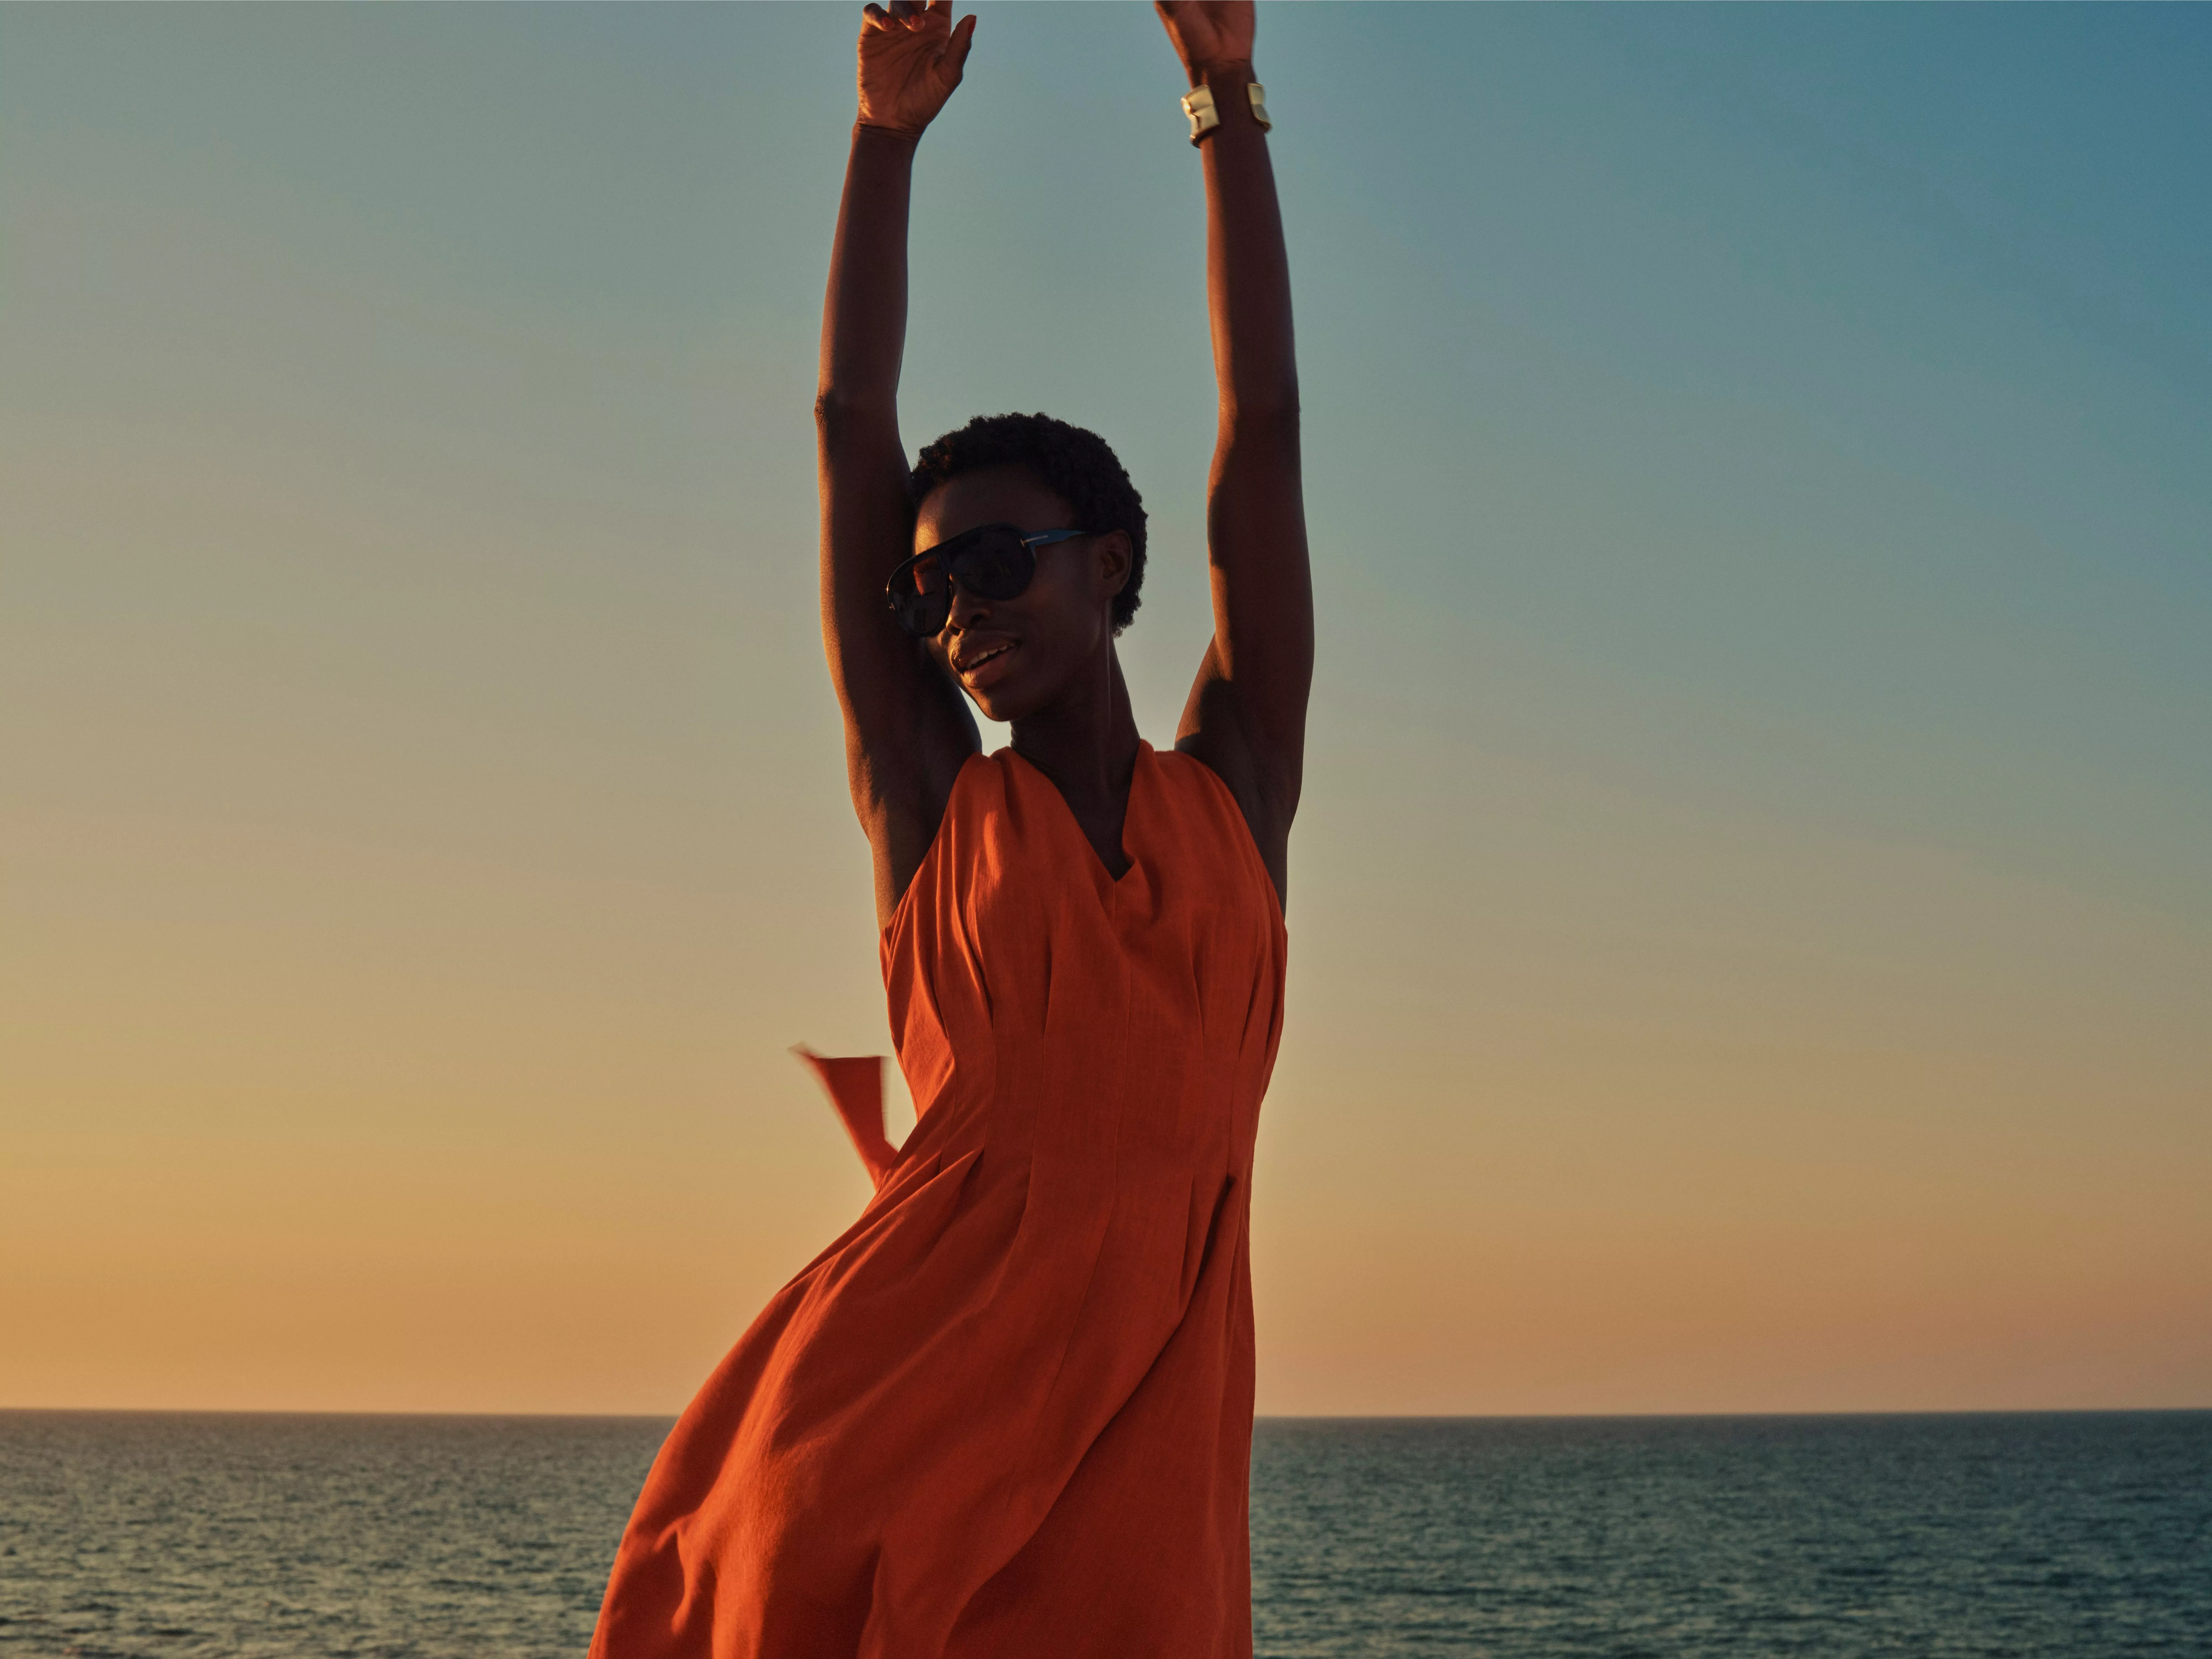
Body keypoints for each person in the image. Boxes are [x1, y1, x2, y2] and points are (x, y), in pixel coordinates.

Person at [589, 1, 1309, 1652]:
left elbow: (1263, 432)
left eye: (995, 562)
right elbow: (851, 421)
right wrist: (882, 139)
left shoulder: (1238, 792)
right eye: (930, 589)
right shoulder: (933, 809)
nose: (960, 609)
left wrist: (1223, 95)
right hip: (907, 1417)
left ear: (1111, 566)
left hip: (1156, 1437)